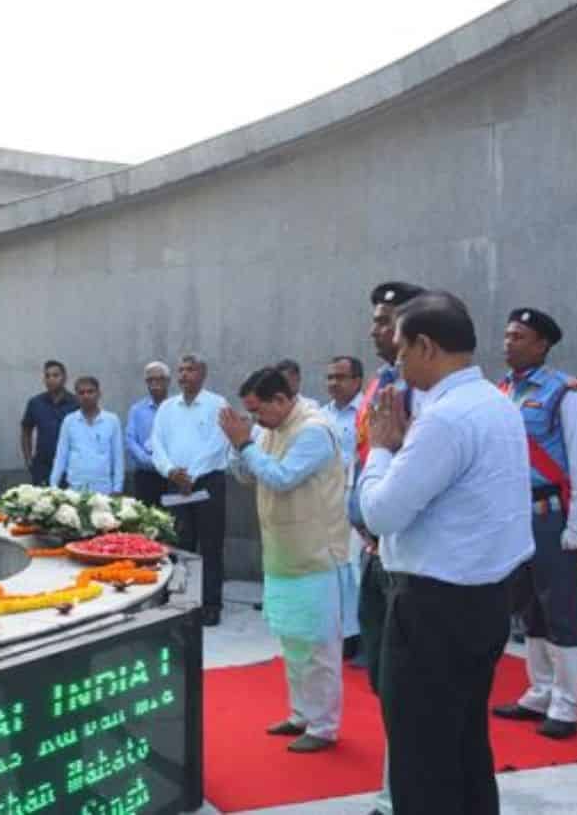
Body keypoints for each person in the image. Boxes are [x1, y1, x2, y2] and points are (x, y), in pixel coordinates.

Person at [360, 290, 533, 815]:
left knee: (421, 758)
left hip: (434, 607)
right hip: (485, 599)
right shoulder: (493, 403)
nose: (397, 359)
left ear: (427, 346)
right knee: (462, 742)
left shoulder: (446, 418)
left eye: (401, 347)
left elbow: (381, 514)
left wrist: (384, 449)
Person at [223, 367, 350, 754]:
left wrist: (246, 446)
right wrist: (237, 447)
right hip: (281, 551)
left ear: (281, 400)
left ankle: (324, 726)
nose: (256, 421)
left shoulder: (314, 429)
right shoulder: (269, 429)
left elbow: (279, 477)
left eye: (259, 411)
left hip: (315, 554)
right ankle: (301, 714)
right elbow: (247, 477)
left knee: (319, 644)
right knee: (292, 639)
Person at [493, 308, 577, 740]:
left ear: (542, 345)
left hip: (550, 515)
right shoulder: (502, 391)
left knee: (561, 610)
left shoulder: (565, 392)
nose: (509, 342)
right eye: (507, 334)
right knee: (529, 608)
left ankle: (569, 704)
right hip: (514, 516)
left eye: (519, 336)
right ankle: (540, 691)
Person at [352, 280, 425, 815]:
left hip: (406, 556)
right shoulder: (382, 383)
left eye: (386, 320)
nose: (375, 329)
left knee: (408, 691)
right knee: (383, 679)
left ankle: (401, 795)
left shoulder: (426, 395)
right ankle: (395, 788)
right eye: (375, 319)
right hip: (375, 549)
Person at [151, 354, 231, 627]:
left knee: (210, 545)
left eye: (190, 370)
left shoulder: (217, 404)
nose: (184, 375)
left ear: (203, 374)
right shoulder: (167, 408)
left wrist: (192, 475)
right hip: (175, 482)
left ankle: (210, 604)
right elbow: (157, 444)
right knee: (178, 545)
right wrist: (171, 471)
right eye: (181, 370)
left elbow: (218, 443)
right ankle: (181, 601)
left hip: (208, 483)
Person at [322, 356, 365, 661]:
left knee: (358, 571)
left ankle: (364, 636)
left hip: (361, 504)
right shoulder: (321, 416)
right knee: (336, 572)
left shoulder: (368, 412)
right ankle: (345, 635)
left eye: (341, 377)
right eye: (330, 378)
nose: (334, 383)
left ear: (357, 381)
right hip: (328, 504)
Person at [50, 377, 124, 494]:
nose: (86, 396)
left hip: (103, 489)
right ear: (76, 397)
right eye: (81, 393)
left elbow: (118, 457)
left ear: (99, 394)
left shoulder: (111, 420)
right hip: (75, 489)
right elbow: (61, 456)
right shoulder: (69, 421)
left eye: (90, 391)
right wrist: (53, 486)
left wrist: (117, 488)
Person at [20, 361, 79, 486]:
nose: (51, 379)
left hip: (69, 466)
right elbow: (26, 431)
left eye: (55, 375)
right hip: (42, 466)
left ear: (64, 378)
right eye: (47, 376)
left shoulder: (76, 403)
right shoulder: (35, 403)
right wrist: (29, 460)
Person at [126, 361, 172, 506]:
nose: (154, 383)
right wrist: (148, 461)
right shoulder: (137, 409)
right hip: (145, 475)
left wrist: (166, 464)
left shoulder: (176, 408)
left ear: (168, 381)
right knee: (147, 520)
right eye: (150, 380)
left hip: (172, 475)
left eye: (159, 379)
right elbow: (130, 440)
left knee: (173, 520)